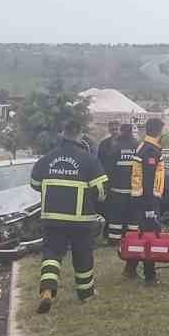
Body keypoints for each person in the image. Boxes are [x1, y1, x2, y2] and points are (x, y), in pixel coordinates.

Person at [29, 119, 109, 313]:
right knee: (82, 256)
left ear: (62, 135)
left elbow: (34, 183)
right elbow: (101, 190)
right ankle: (86, 294)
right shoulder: (89, 159)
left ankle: (47, 290)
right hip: (81, 220)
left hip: (52, 218)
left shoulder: (46, 159)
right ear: (80, 135)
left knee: (52, 254)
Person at [123, 117, 166, 285]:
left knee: (140, 235)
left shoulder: (144, 146)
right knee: (150, 237)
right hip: (147, 201)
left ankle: (130, 268)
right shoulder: (150, 151)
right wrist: (150, 207)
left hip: (142, 198)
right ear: (159, 131)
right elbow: (148, 180)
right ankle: (150, 275)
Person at [100, 122, 139, 245]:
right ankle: (132, 239)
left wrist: (107, 186)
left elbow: (108, 168)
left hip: (117, 190)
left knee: (116, 217)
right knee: (133, 217)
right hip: (134, 190)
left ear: (122, 131)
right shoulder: (138, 146)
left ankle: (114, 239)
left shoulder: (116, 147)